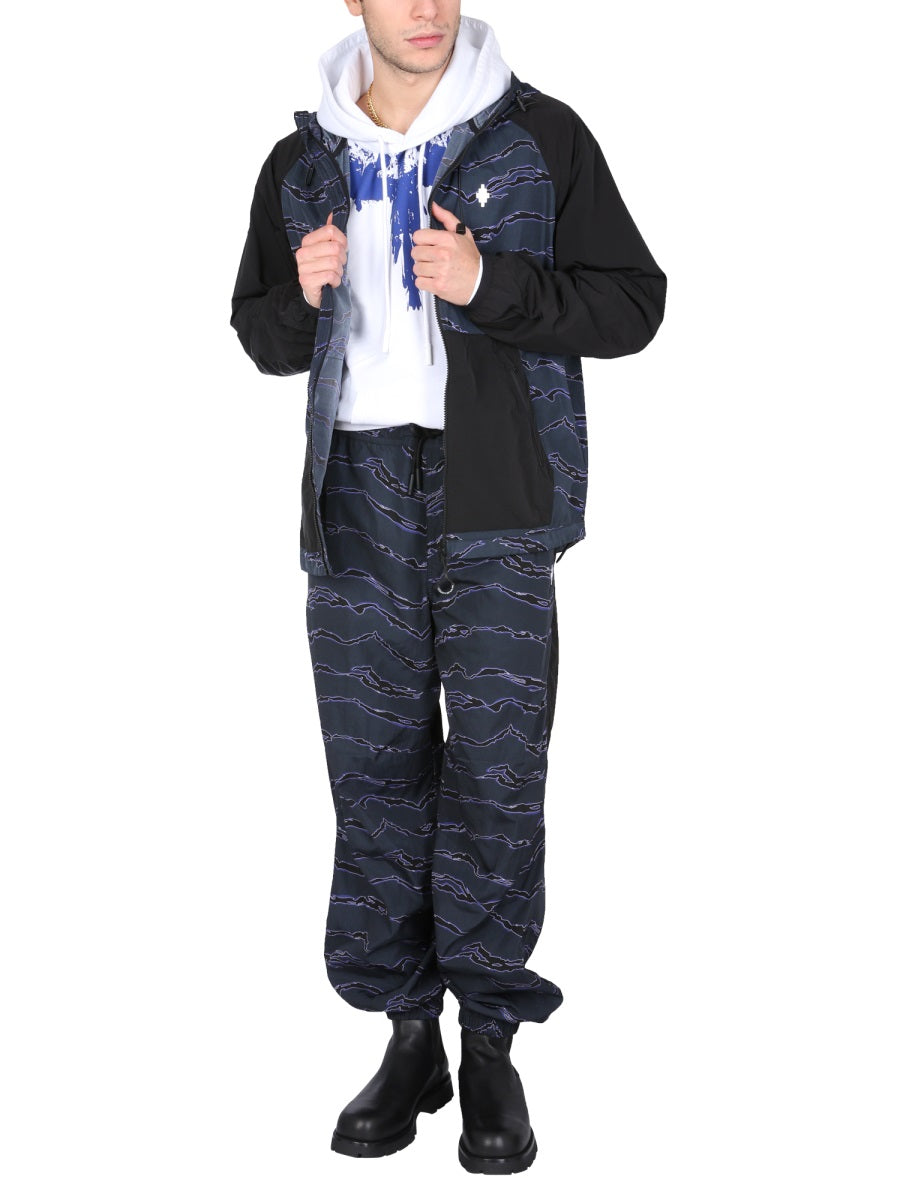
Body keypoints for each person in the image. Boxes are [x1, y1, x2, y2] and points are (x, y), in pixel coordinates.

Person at [230, 0, 666, 1174]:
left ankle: (488, 1043)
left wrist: (490, 281)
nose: (425, 7)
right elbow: (260, 334)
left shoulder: (541, 137)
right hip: (354, 496)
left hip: (497, 494)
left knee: (496, 772)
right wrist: (302, 295)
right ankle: (409, 1033)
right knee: (373, 773)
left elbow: (634, 303)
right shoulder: (299, 163)